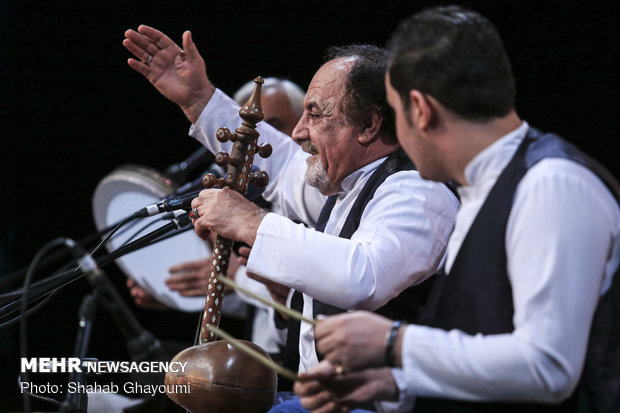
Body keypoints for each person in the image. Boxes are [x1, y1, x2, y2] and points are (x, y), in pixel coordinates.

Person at [294, 5, 620, 413]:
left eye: (397, 116)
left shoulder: (551, 184)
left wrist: (395, 342)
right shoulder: (480, 192)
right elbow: (482, 342)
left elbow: (548, 366)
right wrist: (392, 382)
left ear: (422, 110)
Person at [122, 25, 458, 397]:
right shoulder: (346, 180)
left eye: (314, 114)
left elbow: (364, 277)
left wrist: (250, 221)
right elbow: (280, 164)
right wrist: (199, 99)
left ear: (368, 125)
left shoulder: (418, 190)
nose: (299, 131)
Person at [126, 76, 307, 357]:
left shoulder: (317, 203)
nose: (259, 141)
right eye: (246, 131)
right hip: (260, 357)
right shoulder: (244, 199)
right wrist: (174, 294)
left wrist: (239, 279)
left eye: (275, 128)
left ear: (302, 126)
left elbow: (319, 301)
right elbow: (261, 307)